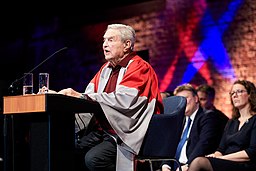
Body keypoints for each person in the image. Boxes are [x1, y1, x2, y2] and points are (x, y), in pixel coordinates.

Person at [47, 23, 164, 171]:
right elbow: (88, 95)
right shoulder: (106, 69)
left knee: (94, 159)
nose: (104, 45)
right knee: (65, 151)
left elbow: (124, 100)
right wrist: (59, 97)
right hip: (103, 131)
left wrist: (82, 96)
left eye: (110, 40)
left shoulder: (139, 67)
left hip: (124, 134)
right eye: (104, 40)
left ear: (127, 44)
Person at [186, 80, 256, 171]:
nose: (235, 95)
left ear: (250, 94)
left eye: (239, 91)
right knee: (200, 160)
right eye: (232, 93)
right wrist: (215, 156)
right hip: (226, 162)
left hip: (245, 164)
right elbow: (221, 149)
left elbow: (252, 152)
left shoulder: (254, 120)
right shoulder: (232, 122)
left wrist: (221, 158)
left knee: (199, 162)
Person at [161, 83, 226, 171]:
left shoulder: (207, 117)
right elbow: (169, 145)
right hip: (174, 166)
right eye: (180, 100)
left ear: (196, 99)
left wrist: (188, 165)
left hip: (192, 166)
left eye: (185, 98)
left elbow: (203, 144)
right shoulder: (179, 121)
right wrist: (165, 165)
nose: (182, 102)